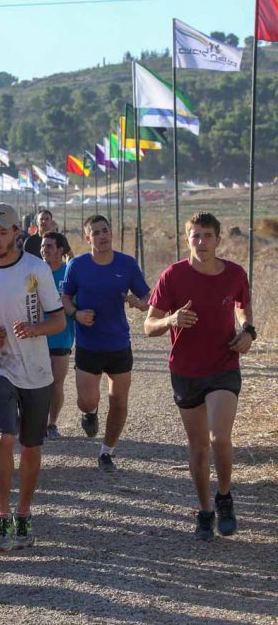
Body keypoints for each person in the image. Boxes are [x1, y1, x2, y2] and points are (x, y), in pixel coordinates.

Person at [145, 213, 253, 541]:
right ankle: (205, 510)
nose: (201, 242)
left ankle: (224, 497)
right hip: (186, 370)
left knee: (219, 437)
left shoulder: (234, 273)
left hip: (223, 365)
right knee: (198, 446)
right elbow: (149, 326)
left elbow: (243, 307)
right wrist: (170, 320)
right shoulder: (173, 276)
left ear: (218, 240)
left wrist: (248, 331)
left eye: (208, 236)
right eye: (195, 236)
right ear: (186, 239)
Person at [0, 204, 66, 551]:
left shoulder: (36, 269)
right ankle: (2, 515)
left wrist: (36, 328)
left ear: (16, 235)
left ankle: (24, 513)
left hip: (36, 369)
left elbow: (58, 321)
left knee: (31, 446)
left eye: (1, 232)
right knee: (4, 437)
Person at [61, 215, 150, 472]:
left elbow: (147, 294)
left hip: (118, 342)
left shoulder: (127, 263)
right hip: (89, 345)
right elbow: (65, 298)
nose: (102, 236)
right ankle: (90, 413)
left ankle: (107, 452)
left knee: (119, 402)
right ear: (87, 238)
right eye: (96, 233)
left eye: (105, 231)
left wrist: (141, 301)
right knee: (87, 401)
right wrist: (76, 314)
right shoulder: (77, 265)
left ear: (111, 233)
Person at [40, 231, 75, 439]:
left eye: (49, 246)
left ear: (61, 250)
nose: (45, 250)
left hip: (62, 336)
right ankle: (36, 420)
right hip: (37, 335)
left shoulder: (69, 273)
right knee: (35, 382)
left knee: (56, 383)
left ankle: (52, 423)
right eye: (43, 246)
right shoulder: (34, 273)